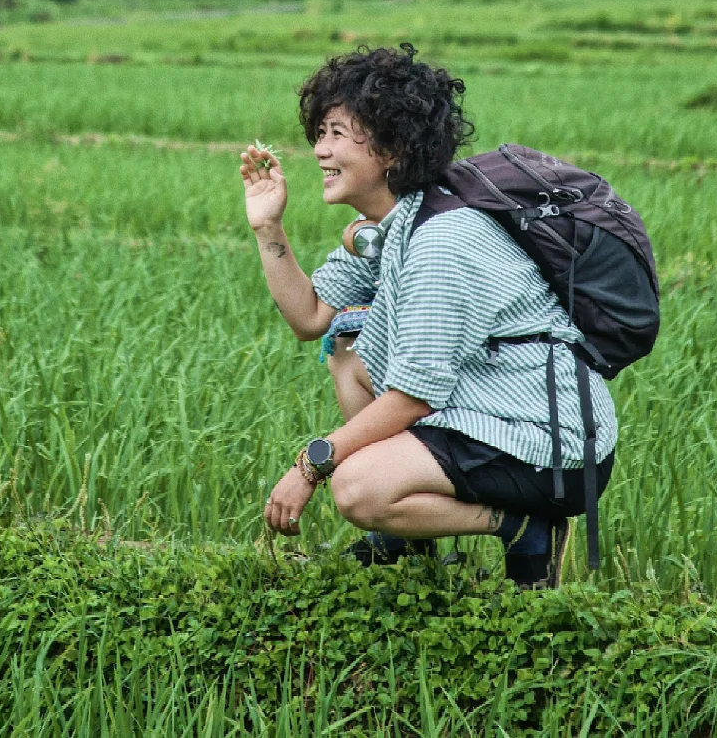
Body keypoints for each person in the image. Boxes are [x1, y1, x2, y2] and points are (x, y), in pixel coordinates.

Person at [240, 44, 617, 585]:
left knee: (356, 485)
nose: (321, 150)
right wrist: (267, 227)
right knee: (346, 346)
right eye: (319, 133)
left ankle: (521, 527)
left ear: (392, 148)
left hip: (550, 444)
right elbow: (311, 316)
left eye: (338, 134)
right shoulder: (391, 228)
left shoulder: (441, 240)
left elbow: (413, 397)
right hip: (491, 413)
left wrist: (312, 463)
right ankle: (405, 537)